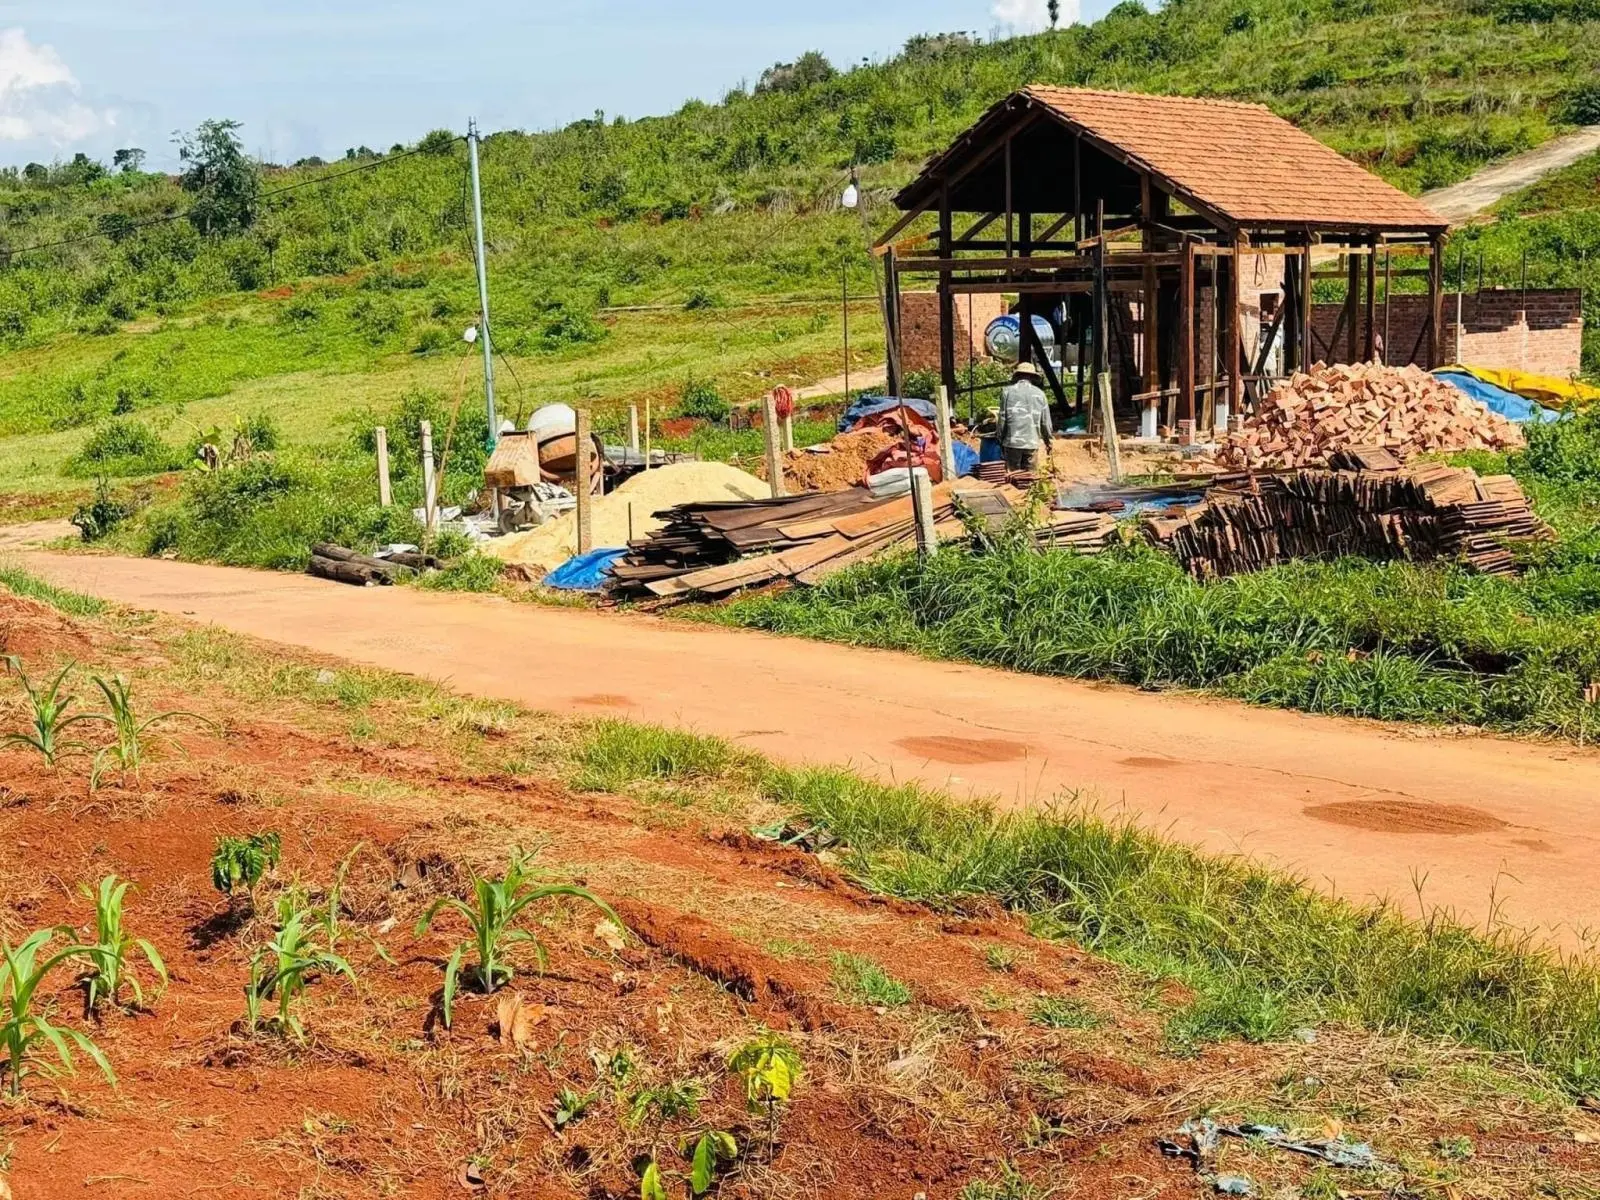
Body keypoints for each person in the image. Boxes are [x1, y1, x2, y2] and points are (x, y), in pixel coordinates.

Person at [998, 361, 1053, 473]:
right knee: (1030, 478)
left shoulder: (1007, 392)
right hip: (1031, 443)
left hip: (1012, 443)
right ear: (1032, 377)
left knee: (1013, 478)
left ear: (1017, 376)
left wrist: (1000, 439)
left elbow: (1002, 419)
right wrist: (1048, 442)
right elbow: (1045, 423)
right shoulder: (1040, 394)